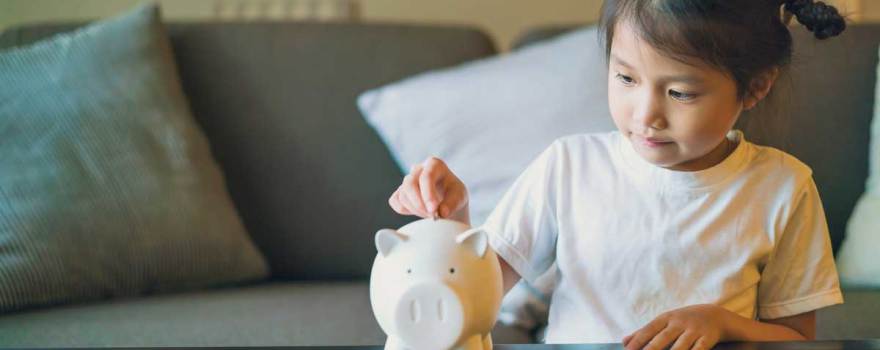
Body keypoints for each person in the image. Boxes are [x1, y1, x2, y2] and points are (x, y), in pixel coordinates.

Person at [387, 0, 847, 349]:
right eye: (626, 79)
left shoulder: (784, 187)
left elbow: (797, 339)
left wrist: (722, 322)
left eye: (681, 92)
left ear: (756, 86)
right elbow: (477, 295)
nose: (646, 115)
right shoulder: (568, 166)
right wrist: (453, 219)